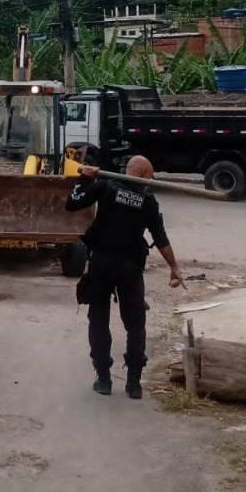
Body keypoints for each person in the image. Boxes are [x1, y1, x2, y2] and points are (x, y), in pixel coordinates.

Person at [66, 156, 185, 399]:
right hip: (130, 269)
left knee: (98, 321)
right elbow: (160, 238)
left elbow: (72, 203)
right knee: (136, 325)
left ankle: (104, 379)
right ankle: (133, 384)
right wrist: (174, 267)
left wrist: (84, 179)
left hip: (101, 264)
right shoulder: (148, 202)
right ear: (140, 174)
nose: (150, 182)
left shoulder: (105, 187)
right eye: (149, 176)